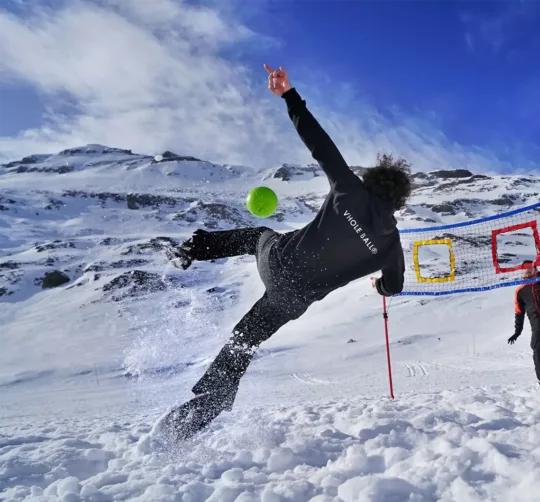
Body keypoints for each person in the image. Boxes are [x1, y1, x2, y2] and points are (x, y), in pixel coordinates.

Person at [158, 64, 412, 440]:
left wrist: (289, 95)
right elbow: (395, 286)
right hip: (293, 298)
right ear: (398, 200)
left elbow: (319, 143)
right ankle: (215, 397)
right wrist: (379, 286)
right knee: (247, 337)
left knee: (258, 235)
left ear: (373, 182)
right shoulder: (391, 244)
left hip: (278, 260)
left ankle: (191, 249)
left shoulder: (350, 190)